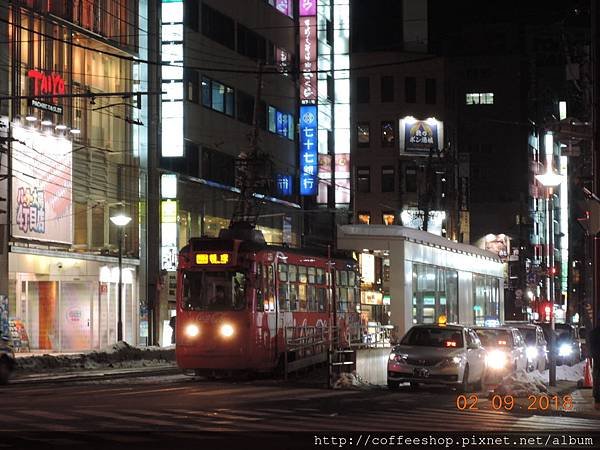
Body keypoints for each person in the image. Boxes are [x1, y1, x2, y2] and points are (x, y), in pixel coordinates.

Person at [589, 320, 600, 410]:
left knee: (597, 378)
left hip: (597, 359)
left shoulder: (593, 333)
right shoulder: (594, 333)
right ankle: (597, 401)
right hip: (597, 358)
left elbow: (592, 349)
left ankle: (597, 401)